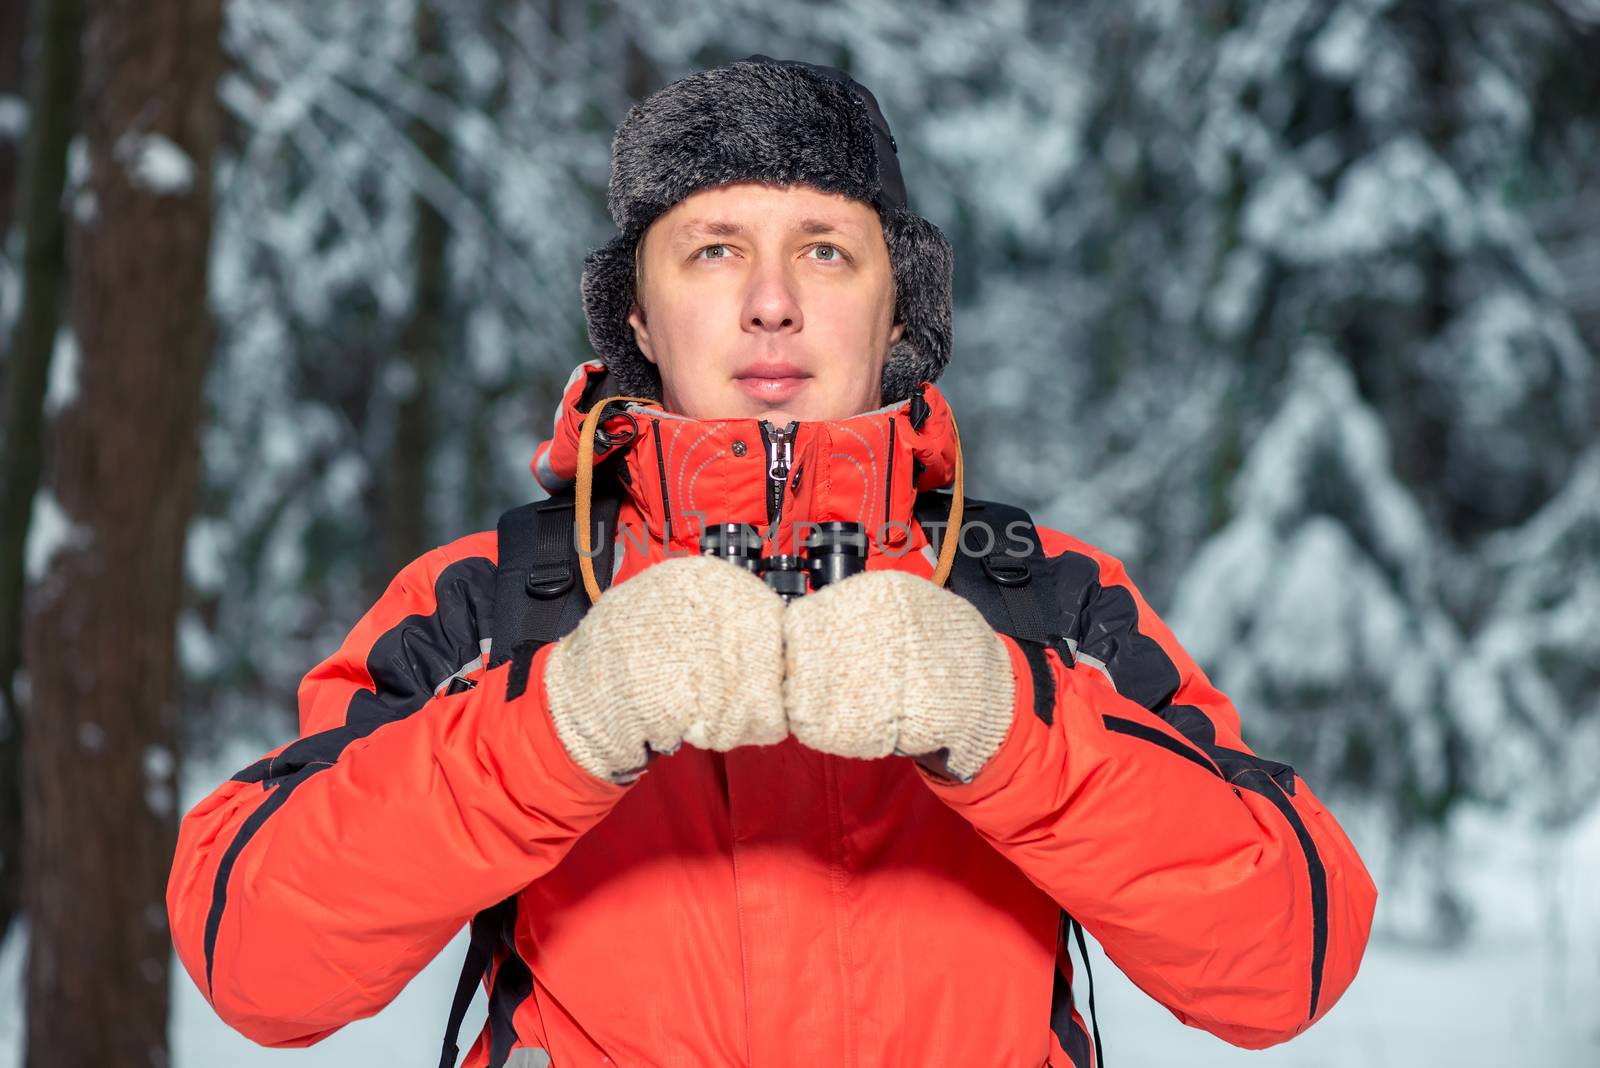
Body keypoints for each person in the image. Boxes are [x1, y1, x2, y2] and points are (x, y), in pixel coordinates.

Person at [167, 56, 1377, 1068]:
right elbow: (256, 961)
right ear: (635, 317)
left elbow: (1288, 960)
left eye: (825, 251)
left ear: (899, 309)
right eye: (709, 251)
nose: (769, 304)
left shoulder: (1042, 598)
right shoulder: (493, 599)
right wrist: (558, 726)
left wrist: (1011, 725)